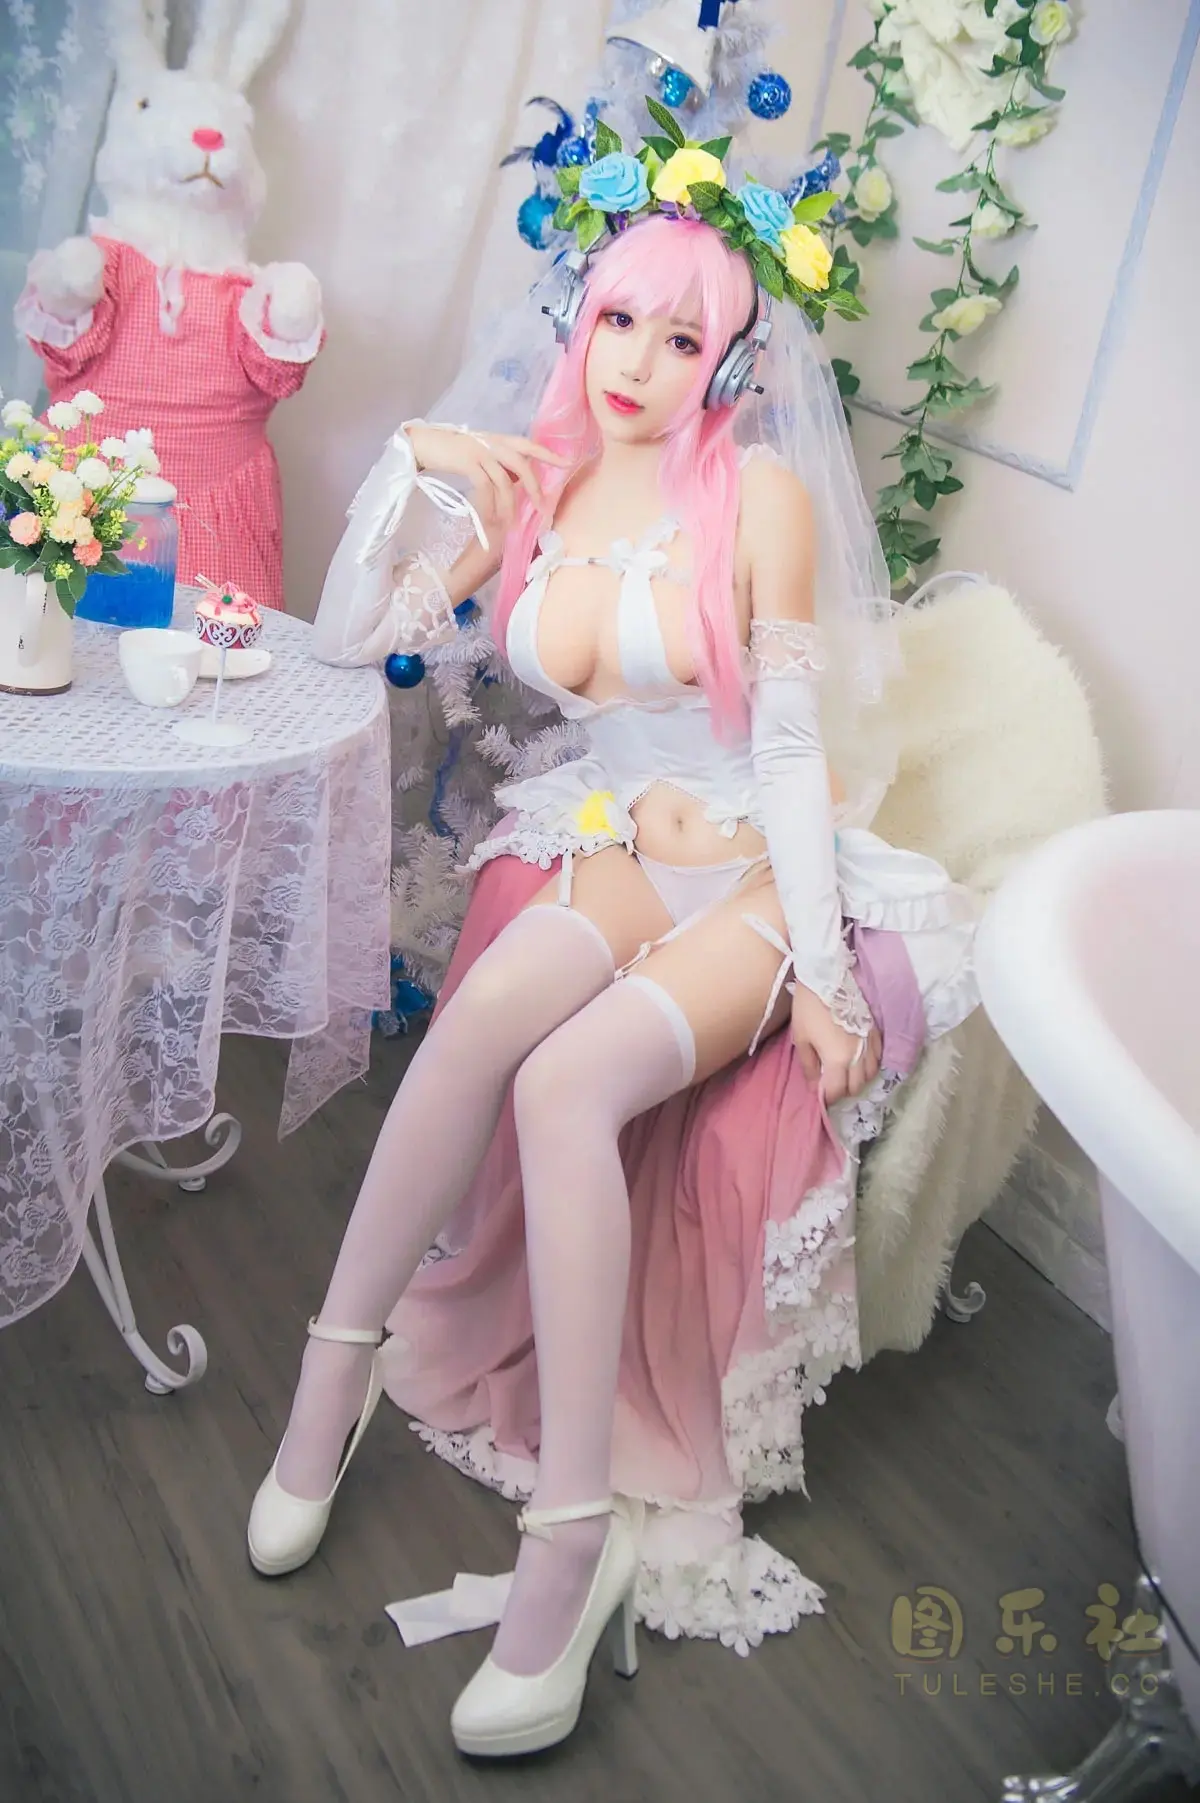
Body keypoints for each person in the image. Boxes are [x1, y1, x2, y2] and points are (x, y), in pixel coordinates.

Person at [247, 134, 979, 1759]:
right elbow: (365, 637)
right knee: (471, 1035)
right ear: (579, 321)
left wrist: (826, 978)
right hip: (625, 842)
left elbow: (787, 747)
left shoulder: (759, 497)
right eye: (618, 321)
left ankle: (567, 1538)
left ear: (729, 359)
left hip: (759, 871)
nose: (638, 361)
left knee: (564, 1085)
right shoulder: (541, 482)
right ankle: (331, 1375)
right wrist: (414, 466)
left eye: (681, 335)